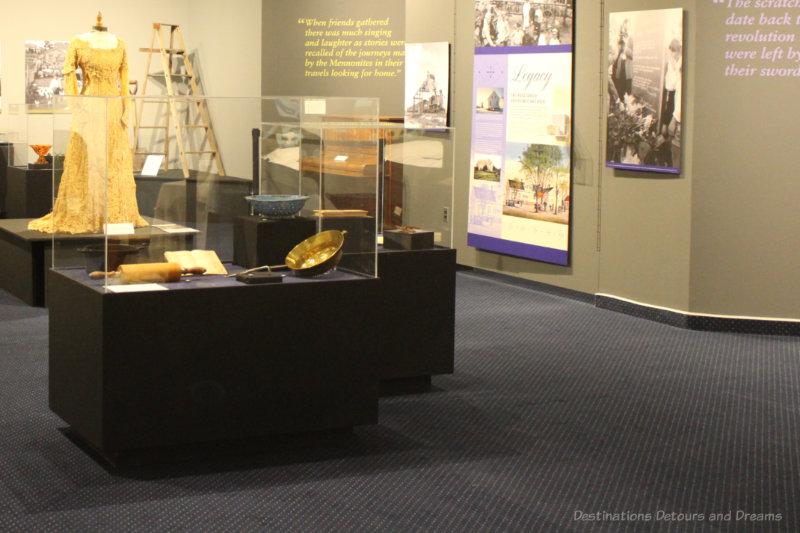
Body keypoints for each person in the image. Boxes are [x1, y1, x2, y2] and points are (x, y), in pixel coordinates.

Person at [29, 14, 146, 234]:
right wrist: (76, 104)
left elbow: (125, 73)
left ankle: (116, 214)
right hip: (89, 106)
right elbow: (68, 72)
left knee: (114, 159)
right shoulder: (78, 41)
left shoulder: (119, 43)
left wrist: (125, 107)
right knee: (88, 159)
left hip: (113, 107)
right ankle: (88, 212)